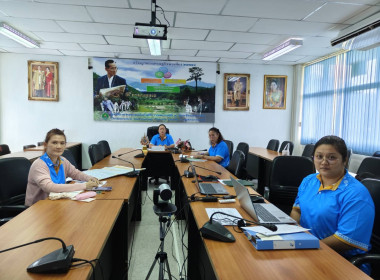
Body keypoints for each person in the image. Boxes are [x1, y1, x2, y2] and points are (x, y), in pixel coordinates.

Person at [290, 135, 374, 274]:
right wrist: (289, 233)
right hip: (308, 251)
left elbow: (346, 240)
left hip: (344, 263)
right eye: (319, 156)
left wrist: (305, 246)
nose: (324, 162)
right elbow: (297, 210)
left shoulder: (356, 194)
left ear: (344, 160)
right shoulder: (309, 180)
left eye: (332, 157)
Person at [25, 129, 99, 206]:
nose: (59, 146)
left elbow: (75, 173)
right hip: (38, 208)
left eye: (62, 143)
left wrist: (90, 178)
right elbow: (50, 187)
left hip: (56, 202)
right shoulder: (39, 165)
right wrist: (84, 185)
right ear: (45, 144)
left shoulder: (62, 161)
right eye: (54, 143)